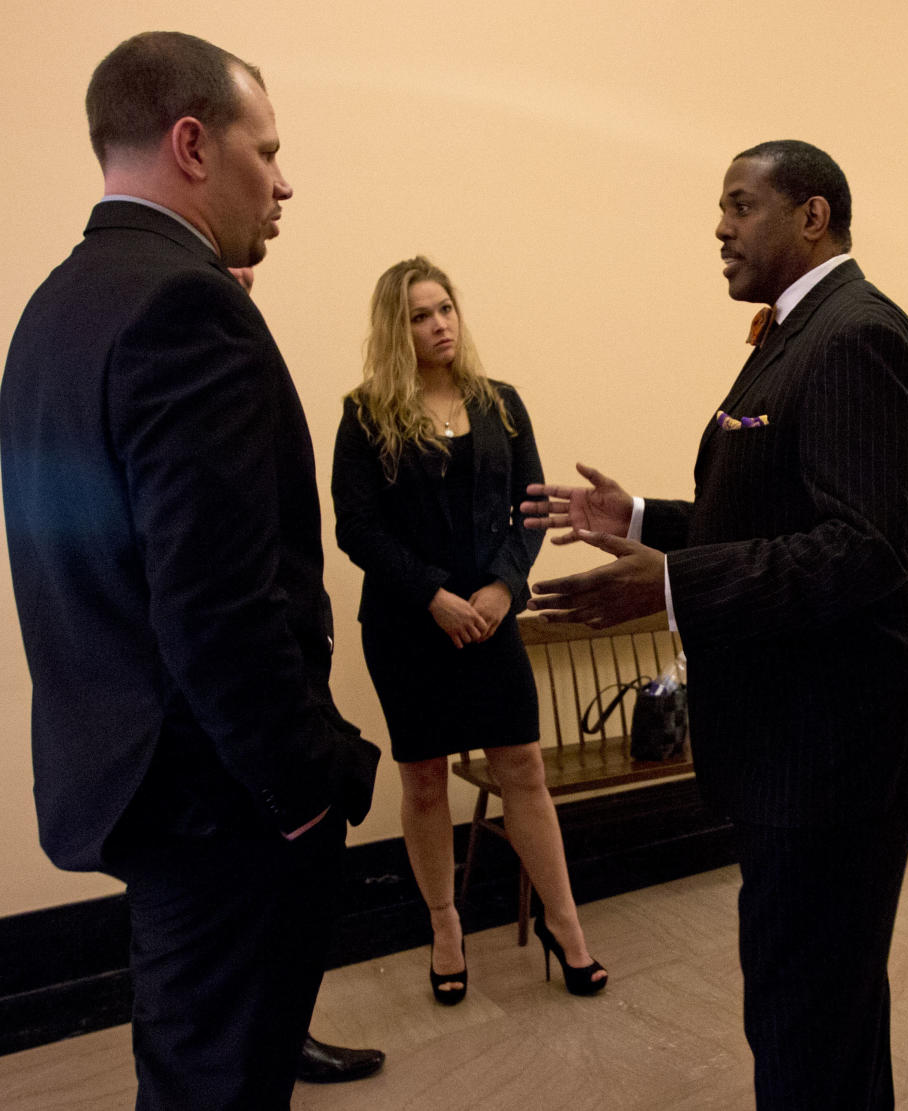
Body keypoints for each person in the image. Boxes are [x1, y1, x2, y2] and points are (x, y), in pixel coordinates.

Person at [0, 32, 381, 1110]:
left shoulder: (57, 307)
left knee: (190, 1062)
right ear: (192, 144)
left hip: (130, 772)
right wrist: (303, 791)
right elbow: (214, 603)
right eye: (267, 150)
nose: (285, 180)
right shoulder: (186, 306)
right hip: (219, 801)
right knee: (218, 1082)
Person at [521, 141, 908, 1108]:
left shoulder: (857, 336)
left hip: (832, 750)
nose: (720, 227)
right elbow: (776, 518)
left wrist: (668, 583)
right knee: (816, 1009)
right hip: (795, 741)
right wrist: (634, 522)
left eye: (740, 205)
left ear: (813, 215)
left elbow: (861, 548)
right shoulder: (802, 333)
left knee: (808, 1020)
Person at [331, 256, 607, 1002]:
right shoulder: (365, 415)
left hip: (491, 619)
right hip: (409, 625)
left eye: (446, 307)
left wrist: (501, 589)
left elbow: (531, 512)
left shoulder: (501, 404)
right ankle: (445, 926)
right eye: (420, 314)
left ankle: (565, 924)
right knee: (423, 779)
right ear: (398, 327)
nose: (439, 323)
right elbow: (355, 528)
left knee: (524, 769)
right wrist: (435, 596)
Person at [227, 267, 385, 1086]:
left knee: (290, 901)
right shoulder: (187, 346)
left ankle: (283, 1032)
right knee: (267, 895)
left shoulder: (232, 356)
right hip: (252, 707)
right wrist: (307, 775)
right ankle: (267, 1040)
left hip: (284, 673)